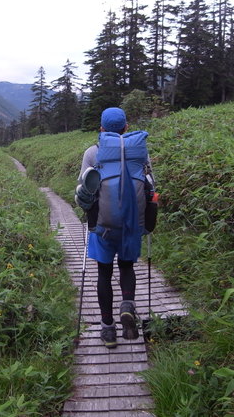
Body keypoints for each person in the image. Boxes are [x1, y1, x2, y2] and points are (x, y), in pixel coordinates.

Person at [75, 107, 146, 348]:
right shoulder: (139, 153)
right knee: (126, 268)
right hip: (131, 225)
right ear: (126, 127)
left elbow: (84, 191)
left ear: (102, 129)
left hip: (102, 226)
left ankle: (107, 330)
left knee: (104, 274)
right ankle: (128, 304)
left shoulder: (93, 153)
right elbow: (149, 185)